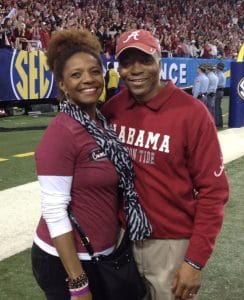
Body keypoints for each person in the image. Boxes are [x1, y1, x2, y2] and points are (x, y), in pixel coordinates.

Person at [101, 29, 229, 300]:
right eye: (126, 62)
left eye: (145, 60)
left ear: (160, 60)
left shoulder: (192, 114)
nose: (135, 70)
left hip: (171, 244)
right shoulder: (112, 109)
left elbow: (213, 192)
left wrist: (194, 261)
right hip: (121, 239)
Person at [31, 28, 151, 300]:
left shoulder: (102, 123)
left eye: (94, 71)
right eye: (76, 75)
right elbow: (53, 211)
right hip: (68, 262)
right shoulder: (62, 132)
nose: (88, 79)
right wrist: (78, 283)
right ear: (62, 84)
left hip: (102, 254)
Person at [215, 62, 226, 128]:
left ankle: (218, 123)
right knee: (218, 107)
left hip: (218, 91)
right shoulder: (221, 74)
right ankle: (220, 122)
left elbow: (217, 84)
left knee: (217, 107)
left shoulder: (219, 75)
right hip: (220, 91)